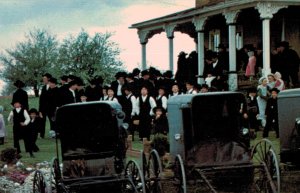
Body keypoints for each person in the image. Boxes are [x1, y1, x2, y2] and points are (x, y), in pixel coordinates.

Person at [39, 73, 52, 138]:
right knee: (42, 121)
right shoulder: (43, 88)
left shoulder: (53, 87)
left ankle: (53, 135)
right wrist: (40, 110)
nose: (43, 80)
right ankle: (42, 135)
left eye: (44, 78)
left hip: (51, 108)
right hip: (43, 108)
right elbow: (41, 99)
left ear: (48, 79)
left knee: (52, 122)